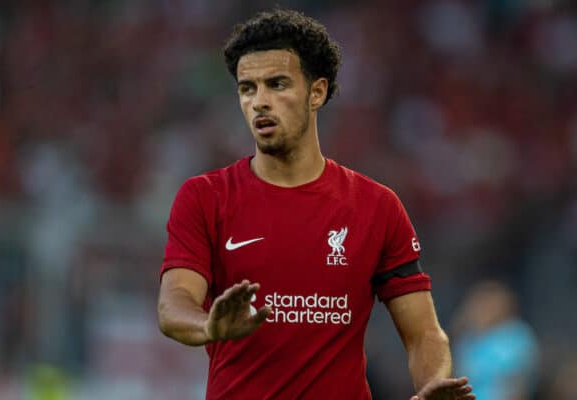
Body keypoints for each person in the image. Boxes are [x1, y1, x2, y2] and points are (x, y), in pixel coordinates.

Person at [157, 9, 475, 400]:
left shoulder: (377, 207)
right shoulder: (205, 197)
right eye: (247, 88)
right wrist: (208, 326)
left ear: (317, 92)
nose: (260, 102)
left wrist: (431, 385)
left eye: (277, 84)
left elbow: (424, 333)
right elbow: (173, 304)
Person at [451, 280, 538, 400]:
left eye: (488, 304)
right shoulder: (466, 339)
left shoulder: (516, 335)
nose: (482, 309)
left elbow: (519, 385)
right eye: (478, 304)